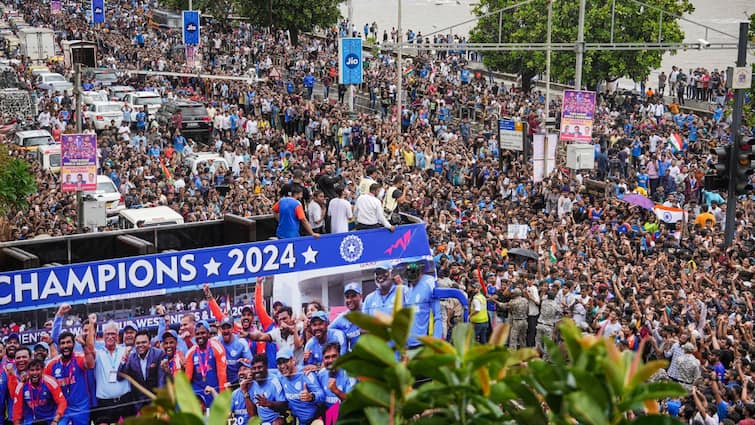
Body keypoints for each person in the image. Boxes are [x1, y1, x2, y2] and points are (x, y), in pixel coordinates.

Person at [45, 328, 95, 425]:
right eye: (62, 343)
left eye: (68, 342)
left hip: (81, 407)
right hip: (62, 408)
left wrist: (84, 345)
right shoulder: (52, 364)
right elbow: (42, 379)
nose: (66, 346)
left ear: (74, 344)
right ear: (59, 346)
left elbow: (90, 364)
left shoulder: (79, 357)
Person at [90, 321, 132, 425]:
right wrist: (92, 324)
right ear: (103, 336)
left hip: (125, 400)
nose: (110, 336)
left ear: (117, 336)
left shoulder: (125, 351)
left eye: (113, 334)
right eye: (107, 334)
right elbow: (89, 347)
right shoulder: (98, 354)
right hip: (105, 403)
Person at [185, 321, 228, 408]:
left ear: (208, 334)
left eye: (203, 333)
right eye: (197, 334)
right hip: (198, 395)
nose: (200, 336)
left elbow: (222, 375)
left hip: (214, 391)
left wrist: (222, 398)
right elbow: (187, 378)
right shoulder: (190, 353)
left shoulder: (217, 347)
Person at [118, 330, 165, 411]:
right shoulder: (131, 358)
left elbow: (161, 378)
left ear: (149, 343)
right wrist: (124, 358)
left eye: (144, 342)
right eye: (138, 343)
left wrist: (160, 400)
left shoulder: (158, 354)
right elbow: (119, 377)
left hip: (156, 400)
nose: (140, 345)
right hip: (139, 404)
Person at [276, 348, 325, 425]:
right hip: (297, 420)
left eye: (285, 361)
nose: (282, 366)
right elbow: (266, 371)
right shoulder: (279, 375)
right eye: (279, 363)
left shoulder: (306, 373)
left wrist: (311, 396)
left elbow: (322, 395)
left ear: (293, 360)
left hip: (314, 419)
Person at [12, 359, 67, 425]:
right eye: (32, 370)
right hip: (32, 419)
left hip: (52, 417)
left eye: (37, 369)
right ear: (28, 371)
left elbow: (62, 402)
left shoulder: (50, 382)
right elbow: (17, 409)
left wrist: (55, 420)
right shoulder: (21, 385)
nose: (35, 373)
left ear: (42, 370)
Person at [401, 261, 443, 347]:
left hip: (425, 343)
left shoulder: (428, 283)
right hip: (408, 345)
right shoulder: (406, 289)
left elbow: (438, 316)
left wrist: (435, 342)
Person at [247, 354, 287, 425]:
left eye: (260, 367)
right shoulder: (252, 383)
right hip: (261, 421)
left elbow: (284, 406)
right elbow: (252, 413)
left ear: (266, 367)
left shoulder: (274, 381)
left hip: (276, 419)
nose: (257, 371)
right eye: (254, 368)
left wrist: (269, 403)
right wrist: (245, 392)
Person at [215, 317, 253, 385]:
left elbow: (250, 363)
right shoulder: (216, 342)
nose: (226, 331)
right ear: (220, 329)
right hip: (221, 383)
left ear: (232, 328)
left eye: (228, 327)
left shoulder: (241, 342)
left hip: (237, 383)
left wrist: (243, 362)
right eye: (223, 328)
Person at [316, 342, 356, 409]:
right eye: (327, 357)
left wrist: (336, 390)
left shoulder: (349, 374)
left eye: (334, 356)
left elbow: (352, 402)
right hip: (328, 414)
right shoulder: (320, 374)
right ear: (323, 360)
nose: (331, 360)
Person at [330, 282, 363, 351]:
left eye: (353, 296)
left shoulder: (369, 311)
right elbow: (328, 332)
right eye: (347, 297)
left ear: (360, 296)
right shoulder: (342, 317)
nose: (350, 300)